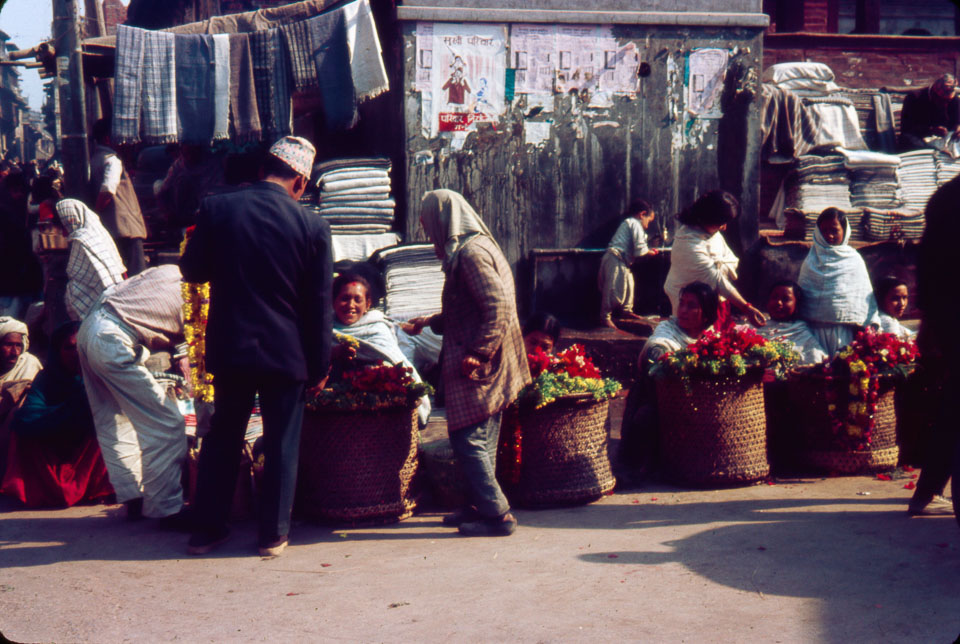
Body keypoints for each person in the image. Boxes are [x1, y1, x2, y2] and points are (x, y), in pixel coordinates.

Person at [180, 136, 332, 557]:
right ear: (300, 182)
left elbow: (192, 270)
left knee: (223, 438)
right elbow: (319, 303)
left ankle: (206, 532)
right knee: (282, 442)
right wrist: (320, 365)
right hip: (288, 353)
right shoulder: (312, 225)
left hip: (231, 348)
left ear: (263, 169)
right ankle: (273, 536)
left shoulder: (217, 208)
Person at [407, 189, 530, 537]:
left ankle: (498, 514)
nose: (426, 228)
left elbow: (497, 307)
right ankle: (480, 503)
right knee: (483, 435)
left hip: (481, 363)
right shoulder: (472, 247)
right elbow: (469, 306)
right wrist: (430, 322)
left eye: (427, 221)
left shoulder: (471, 254)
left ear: (442, 219)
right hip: (488, 358)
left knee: (466, 438)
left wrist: (479, 351)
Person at [76, 265, 189, 527]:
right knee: (167, 424)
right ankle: (166, 510)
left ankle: (134, 497)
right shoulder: (198, 293)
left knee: (113, 420)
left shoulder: (168, 270)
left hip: (91, 328)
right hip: (111, 339)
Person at [1, 322, 113, 508]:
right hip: (53, 442)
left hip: (84, 446)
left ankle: (98, 489)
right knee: (19, 427)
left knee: (109, 428)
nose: (76, 353)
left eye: (80, 347)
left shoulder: (99, 376)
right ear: (57, 351)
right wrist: (71, 409)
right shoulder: (47, 377)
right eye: (69, 348)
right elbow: (28, 416)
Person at [619, 281, 718, 477]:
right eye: (682, 303)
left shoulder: (711, 339)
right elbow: (656, 347)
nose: (683, 310)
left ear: (706, 313)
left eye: (691, 305)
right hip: (656, 400)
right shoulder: (667, 329)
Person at [908, 176, 960, 518]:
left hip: (946, 316)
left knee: (954, 402)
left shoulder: (945, 196)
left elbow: (925, 264)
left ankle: (927, 491)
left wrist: (927, 318)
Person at [332, 272, 431, 426]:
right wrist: (335, 353)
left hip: (383, 402)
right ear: (333, 301)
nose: (351, 305)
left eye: (358, 300)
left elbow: (393, 358)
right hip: (337, 403)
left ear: (367, 304)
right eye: (345, 298)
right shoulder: (325, 329)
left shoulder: (378, 326)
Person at [663, 190, 765, 329]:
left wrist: (719, 266)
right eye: (721, 223)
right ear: (708, 218)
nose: (724, 228)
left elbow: (731, 259)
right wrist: (746, 308)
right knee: (693, 337)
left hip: (715, 300)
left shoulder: (711, 233)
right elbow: (717, 280)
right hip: (689, 306)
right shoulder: (688, 242)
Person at [797, 207, 880, 356]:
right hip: (813, 332)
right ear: (817, 232)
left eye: (834, 230)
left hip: (844, 332)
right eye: (824, 230)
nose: (829, 235)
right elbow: (802, 297)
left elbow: (864, 297)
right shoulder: (810, 261)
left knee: (842, 366)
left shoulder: (854, 260)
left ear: (845, 230)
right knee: (816, 365)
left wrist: (868, 326)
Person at [90, 117, 148, 276]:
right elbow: (108, 189)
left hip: (112, 228)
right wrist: (96, 212)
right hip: (125, 228)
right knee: (137, 275)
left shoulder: (94, 160)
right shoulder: (112, 160)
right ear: (108, 138)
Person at [56, 199, 127, 322]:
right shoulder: (98, 233)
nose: (63, 233)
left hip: (99, 303)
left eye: (64, 226)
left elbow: (83, 277)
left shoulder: (82, 239)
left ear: (71, 220)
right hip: (115, 296)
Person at [597, 199, 659, 329]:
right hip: (615, 258)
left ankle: (626, 311)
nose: (648, 225)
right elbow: (640, 248)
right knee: (612, 289)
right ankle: (605, 317)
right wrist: (649, 252)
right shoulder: (634, 223)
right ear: (642, 214)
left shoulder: (632, 223)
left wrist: (647, 251)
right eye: (649, 221)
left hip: (622, 261)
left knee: (629, 286)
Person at [0, 171, 43, 319]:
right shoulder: (5, 212)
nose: (18, 195)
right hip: (10, 281)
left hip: (23, 278)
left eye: (20, 191)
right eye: (14, 191)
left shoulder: (20, 211)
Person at [755, 280, 828, 365]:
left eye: (786, 299)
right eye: (774, 297)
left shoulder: (802, 334)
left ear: (796, 304)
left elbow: (817, 361)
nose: (778, 302)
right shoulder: (756, 327)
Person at [898, 74, 960, 152]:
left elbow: (957, 121)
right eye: (942, 101)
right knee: (907, 140)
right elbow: (906, 128)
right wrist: (931, 130)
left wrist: (958, 128)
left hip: (944, 139)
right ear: (934, 94)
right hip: (920, 137)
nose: (945, 104)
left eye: (948, 101)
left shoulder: (954, 100)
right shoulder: (914, 98)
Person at [874, 276, 916, 341]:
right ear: (881, 299)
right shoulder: (888, 322)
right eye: (895, 298)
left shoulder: (886, 317)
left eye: (905, 297)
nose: (902, 303)